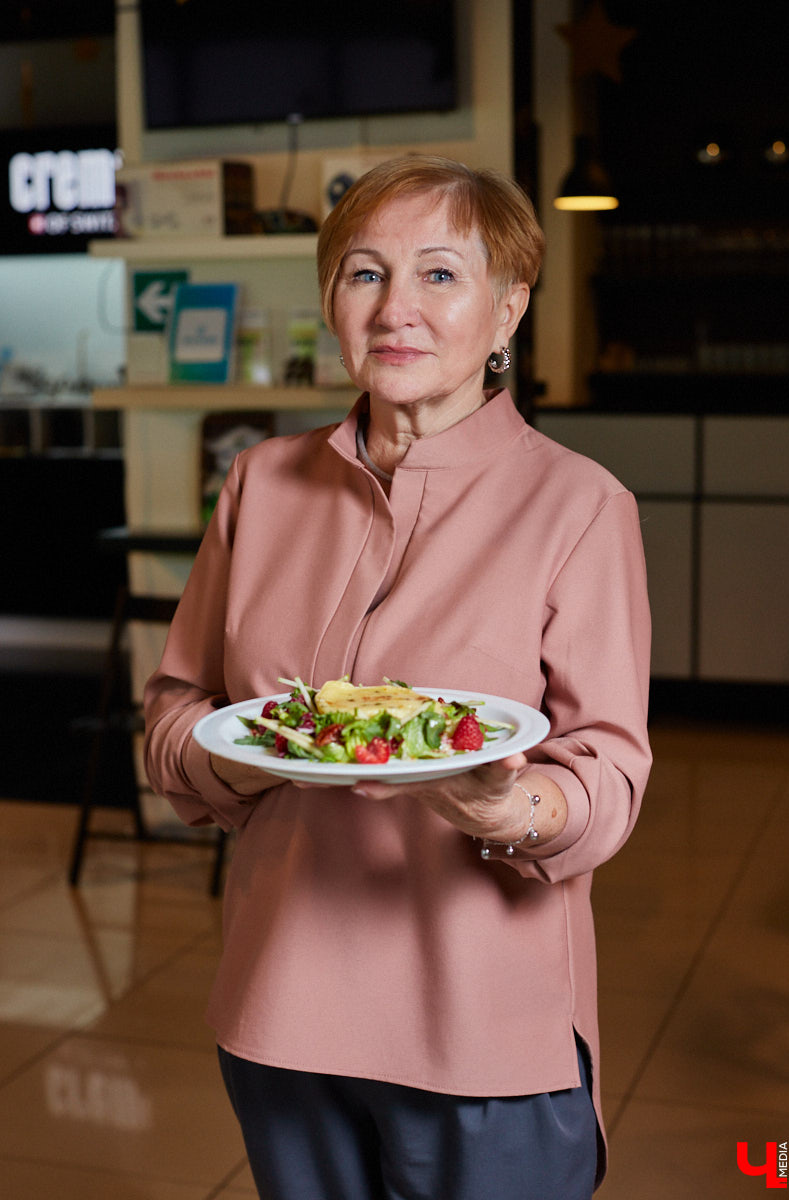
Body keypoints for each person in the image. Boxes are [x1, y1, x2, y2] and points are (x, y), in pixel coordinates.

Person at [143, 154, 652, 1200]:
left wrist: (514, 805)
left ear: (507, 308)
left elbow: (607, 777)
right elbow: (177, 714)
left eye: (437, 274)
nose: (394, 310)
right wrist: (237, 760)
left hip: (482, 1032)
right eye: (364, 273)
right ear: (330, 300)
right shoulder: (261, 483)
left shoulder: (578, 506)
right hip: (279, 1008)